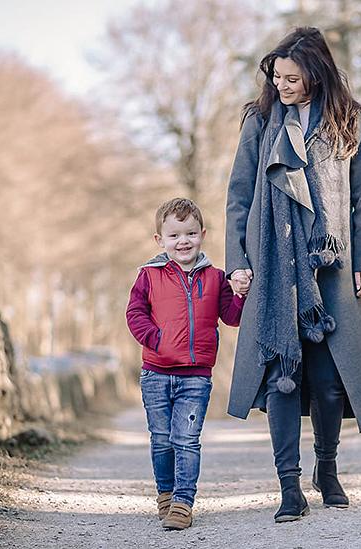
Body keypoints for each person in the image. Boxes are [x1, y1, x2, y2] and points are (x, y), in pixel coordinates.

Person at [224, 27, 361, 523]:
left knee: (331, 378)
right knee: (282, 376)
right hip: (272, 263)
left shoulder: (348, 120)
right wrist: (238, 261)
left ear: (315, 74)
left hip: (331, 266)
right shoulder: (260, 118)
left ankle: (327, 469)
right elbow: (239, 196)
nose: (283, 84)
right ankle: (288, 486)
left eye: (292, 77)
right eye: (277, 76)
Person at [126, 197, 246, 530]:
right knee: (161, 438)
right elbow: (134, 313)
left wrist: (239, 294)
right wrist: (155, 338)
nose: (183, 241)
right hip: (155, 373)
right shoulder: (148, 275)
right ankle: (165, 494)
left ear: (202, 234)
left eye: (191, 233)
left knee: (187, 439)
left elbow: (232, 318)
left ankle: (183, 502)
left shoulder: (215, 277)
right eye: (175, 235)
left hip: (196, 375)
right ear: (159, 240)